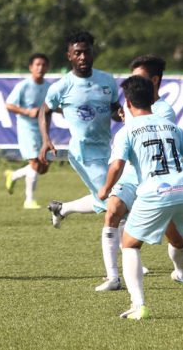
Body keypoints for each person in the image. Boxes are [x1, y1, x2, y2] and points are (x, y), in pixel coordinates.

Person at [98, 75, 183, 320]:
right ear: (153, 98)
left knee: (130, 244)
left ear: (128, 103)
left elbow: (117, 164)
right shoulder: (171, 126)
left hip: (154, 191)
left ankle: (138, 305)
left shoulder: (126, 130)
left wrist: (105, 189)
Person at [95, 55, 183, 292]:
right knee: (112, 212)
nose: (135, 83)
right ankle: (113, 277)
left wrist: (126, 118)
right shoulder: (134, 106)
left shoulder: (164, 111)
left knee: (176, 239)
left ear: (155, 80)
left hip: (157, 180)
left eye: (140, 78)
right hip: (131, 174)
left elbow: (142, 133)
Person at [38, 30, 121, 222]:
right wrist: (45, 140)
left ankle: (62, 208)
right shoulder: (62, 86)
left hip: (107, 149)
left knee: (115, 196)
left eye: (86, 52)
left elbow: (115, 110)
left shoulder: (107, 80)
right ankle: (126, 249)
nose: (83, 57)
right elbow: (45, 110)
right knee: (114, 201)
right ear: (69, 56)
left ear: (93, 53)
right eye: (77, 53)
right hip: (83, 152)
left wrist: (123, 114)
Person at [4, 53, 52, 209]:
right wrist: (26, 112)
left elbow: (50, 108)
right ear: (31, 67)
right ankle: (29, 200)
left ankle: (14, 175)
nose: (40, 67)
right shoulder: (23, 86)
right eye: (37, 64)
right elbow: (9, 105)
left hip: (41, 130)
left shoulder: (48, 87)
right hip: (27, 129)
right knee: (35, 163)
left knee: (43, 167)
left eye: (43, 65)